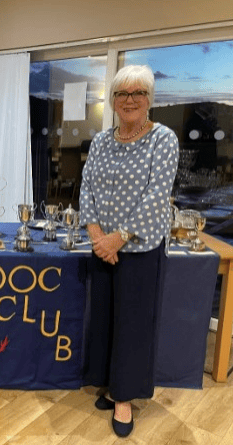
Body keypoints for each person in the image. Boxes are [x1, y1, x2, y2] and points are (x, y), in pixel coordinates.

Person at [79, 65, 179, 438]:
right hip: (102, 248)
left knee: (133, 328)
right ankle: (107, 382)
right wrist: (95, 236)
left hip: (138, 249)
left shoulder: (163, 139)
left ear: (150, 99)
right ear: (113, 100)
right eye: (122, 94)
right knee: (105, 321)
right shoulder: (102, 141)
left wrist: (117, 238)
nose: (130, 100)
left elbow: (157, 196)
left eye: (138, 93)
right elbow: (86, 186)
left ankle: (124, 399)